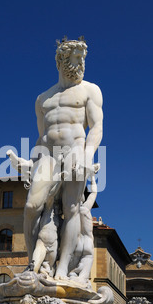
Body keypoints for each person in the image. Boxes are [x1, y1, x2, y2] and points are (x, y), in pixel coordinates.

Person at [22, 37, 103, 280]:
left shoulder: (90, 90)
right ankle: (33, 263)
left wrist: (88, 155)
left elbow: (96, 127)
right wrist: (31, 162)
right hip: (48, 155)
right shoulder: (43, 98)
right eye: (77, 59)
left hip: (76, 150)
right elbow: (41, 135)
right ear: (61, 60)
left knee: (72, 208)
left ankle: (62, 267)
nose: (81, 64)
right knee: (31, 206)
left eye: (83, 60)